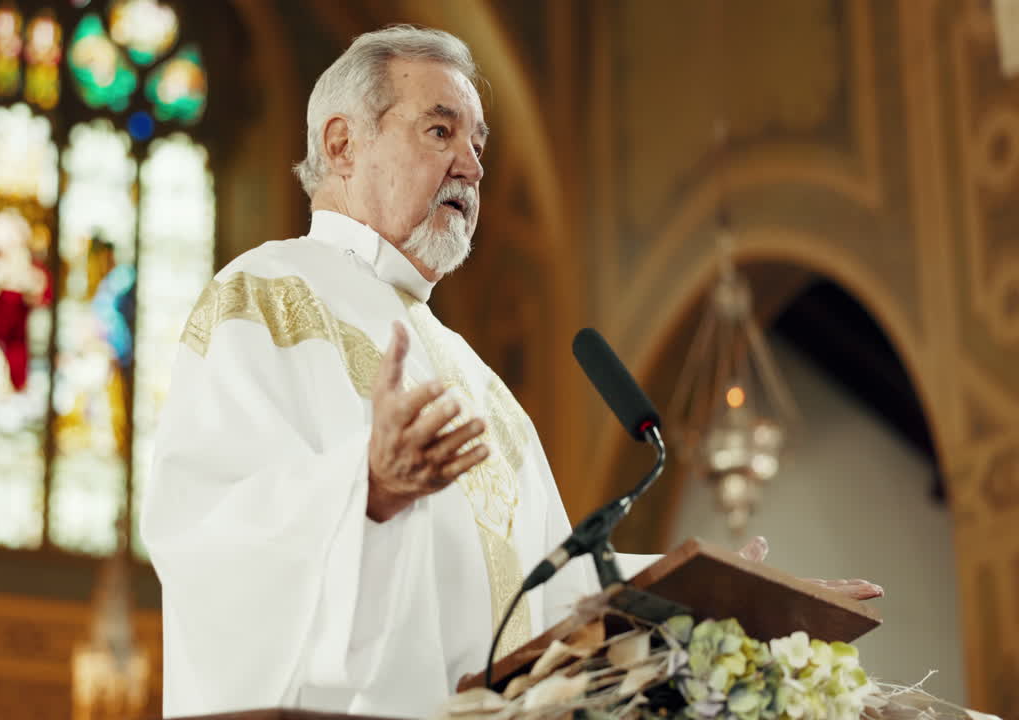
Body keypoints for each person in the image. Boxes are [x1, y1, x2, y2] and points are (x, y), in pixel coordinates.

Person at [139, 25, 881, 717]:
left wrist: (718, 601)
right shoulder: (266, 293)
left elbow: (549, 591)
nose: (471, 164)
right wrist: (363, 490)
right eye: (440, 130)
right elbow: (204, 533)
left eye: (478, 143)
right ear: (341, 144)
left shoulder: (473, 377)